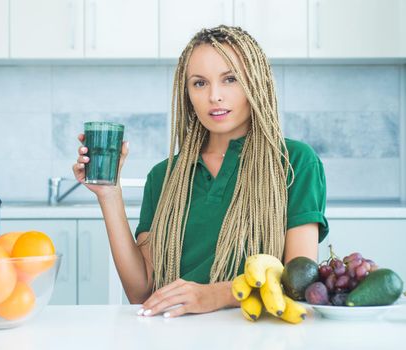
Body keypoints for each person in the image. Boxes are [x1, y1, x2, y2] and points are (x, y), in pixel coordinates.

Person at [72, 25, 328, 318]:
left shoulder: (294, 163)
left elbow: (300, 281)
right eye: (199, 83)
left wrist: (214, 294)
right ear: (187, 94)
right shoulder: (164, 176)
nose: (214, 96)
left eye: (230, 79)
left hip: (257, 333)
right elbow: (141, 291)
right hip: (171, 334)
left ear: (255, 83)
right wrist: (109, 194)